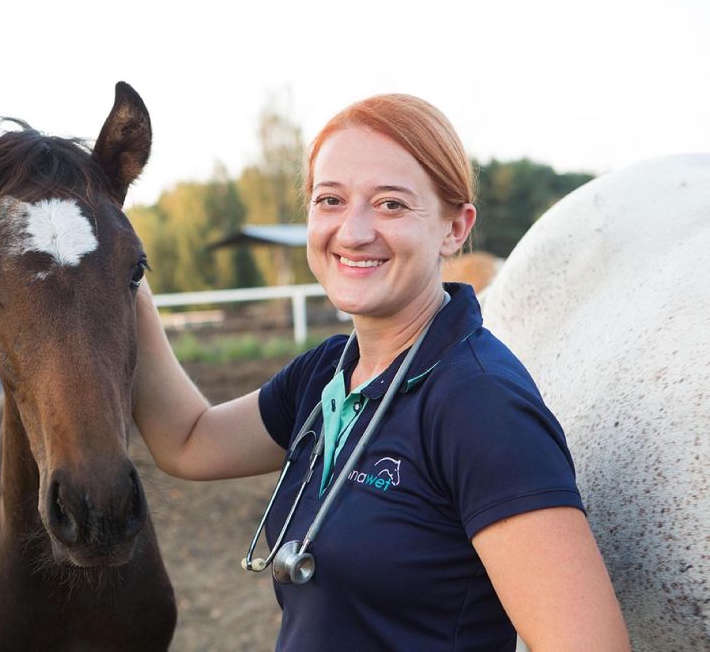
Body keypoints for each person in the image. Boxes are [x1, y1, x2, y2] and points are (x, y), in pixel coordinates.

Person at [132, 94, 630, 650]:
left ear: (454, 228)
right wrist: (125, 272)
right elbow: (189, 442)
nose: (353, 232)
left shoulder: (480, 405)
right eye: (331, 200)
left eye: (391, 204)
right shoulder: (326, 372)